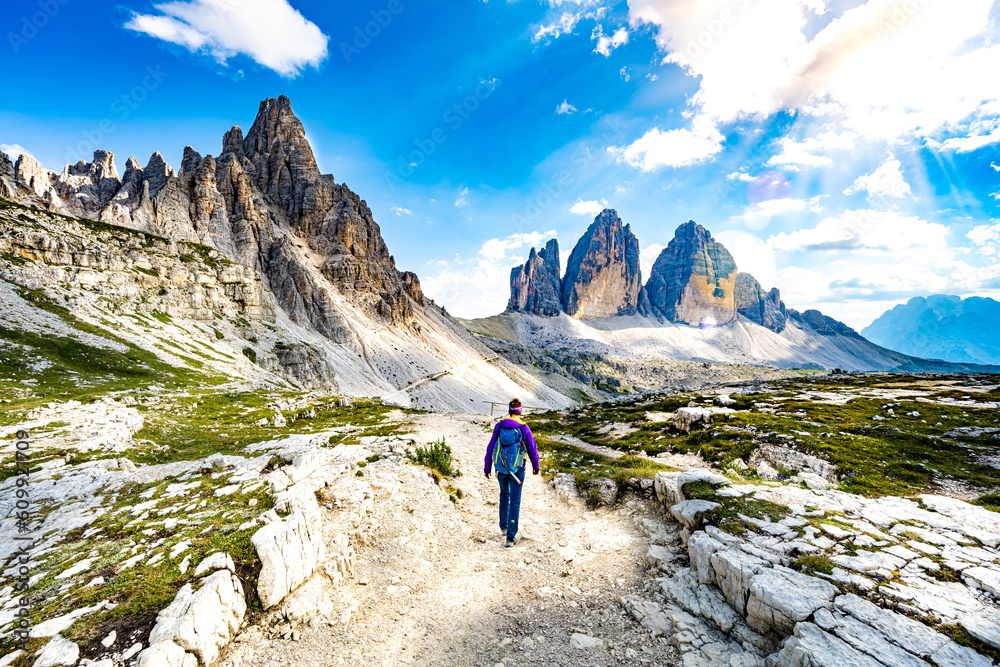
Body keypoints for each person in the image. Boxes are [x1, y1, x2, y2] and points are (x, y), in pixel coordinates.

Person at [484, 398, 540, 547]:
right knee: (515, 501)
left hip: (501, 468)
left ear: (509, 410)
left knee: (504, 495)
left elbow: (491, 447)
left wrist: (487, 467)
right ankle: (510, 538)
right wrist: (536, 466)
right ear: (520, 411)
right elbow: (532, 449)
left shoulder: (499, 426)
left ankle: (503, 527)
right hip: (517, 469)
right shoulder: (524, 428)